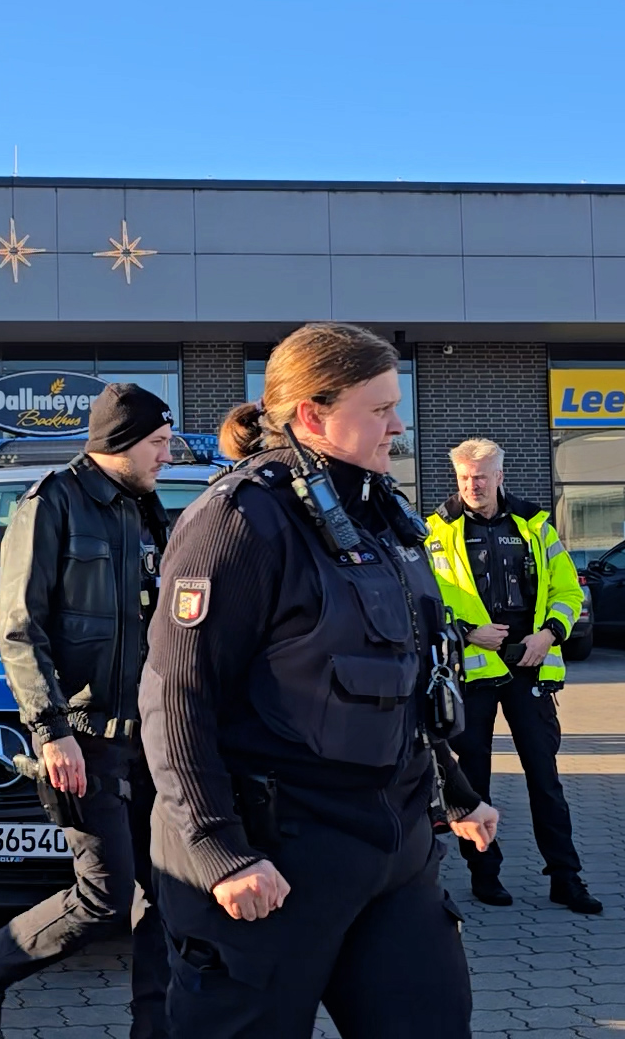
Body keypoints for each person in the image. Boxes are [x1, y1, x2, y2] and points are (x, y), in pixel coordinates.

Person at [141, 324, 501, 1038]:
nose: (399, 425)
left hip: (392, 851)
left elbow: (405, 674)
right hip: (270, 858)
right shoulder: (240, 520)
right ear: (312, 414)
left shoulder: (377, 515)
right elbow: (177, 696)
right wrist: (221, 849)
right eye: (381, 409)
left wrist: (456, 791)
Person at [0, 383, 175, 1039]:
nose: (164, 455)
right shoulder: (53, 503)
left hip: (149, 739)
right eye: (156, 443)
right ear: (122, 441)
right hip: (84, 739)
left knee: (163, 895)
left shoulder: (146, 508)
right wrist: (51, 731)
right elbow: (19, 628)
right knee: (104, 899)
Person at [426, 438, 601, 914]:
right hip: (475, 671)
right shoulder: (436, 531)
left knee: (545, 779)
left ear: (500, 476)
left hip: (530, 664)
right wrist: (465, 632)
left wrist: (549, 634)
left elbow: (567, 589)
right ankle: (485, 873)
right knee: (473, 781)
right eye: (464, 477)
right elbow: (425, 601)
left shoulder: (535, 525)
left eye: (481, 477)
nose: (472, 486)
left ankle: (566, 878)